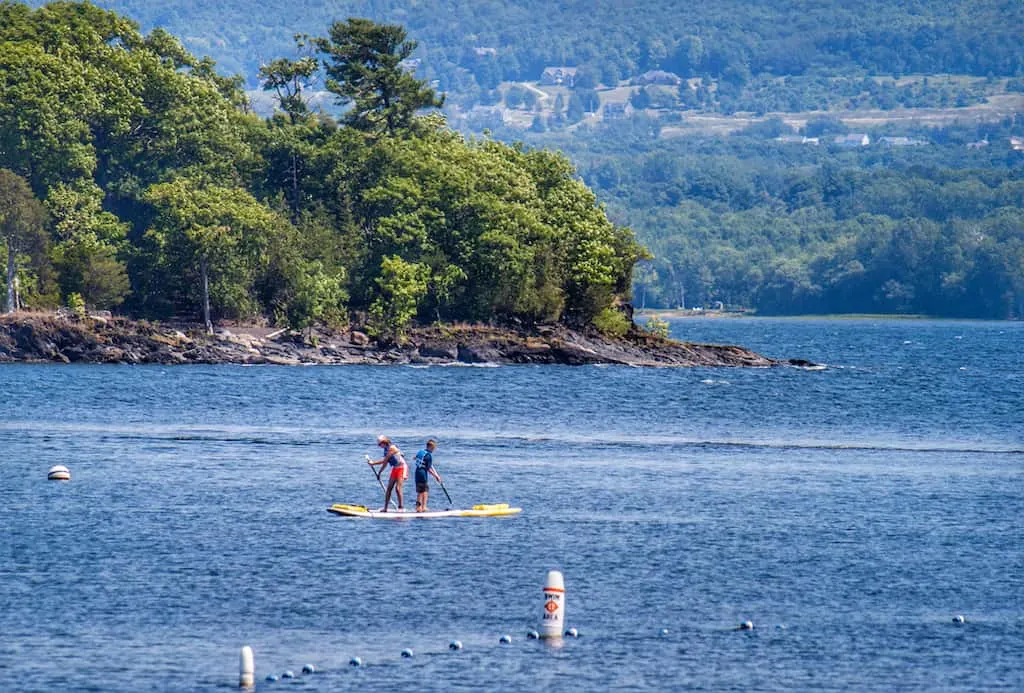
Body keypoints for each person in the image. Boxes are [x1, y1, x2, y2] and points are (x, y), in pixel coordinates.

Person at [368, 435, 407, 511]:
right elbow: (385, 463)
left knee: (398, 488)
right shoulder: (385, 449)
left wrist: (373, 463)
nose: (379, 446)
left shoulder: (392, 448)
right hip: (395, 468)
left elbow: (385, 461)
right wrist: (379, 473)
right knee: (389, 489)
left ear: (384, 442)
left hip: (402, 468)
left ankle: (401, 508)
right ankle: (385, 508)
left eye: (379, 444)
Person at [413, 439, 443, 512]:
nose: (433, 450)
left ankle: (423, 507)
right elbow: (428, 468)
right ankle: (419, 508)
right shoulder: (428, 456)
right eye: (433, 448)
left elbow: (415, 457)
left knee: (425, 490)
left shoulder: (421, 452)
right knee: (421, 490)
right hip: (422, 473)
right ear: (429, 447)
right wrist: (436, 476)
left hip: (417, 472)